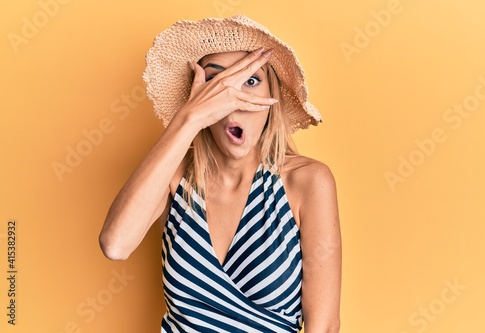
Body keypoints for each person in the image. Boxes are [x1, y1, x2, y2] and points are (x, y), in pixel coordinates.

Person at [99, 15, 341, 333]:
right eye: (216, 85)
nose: (232, 102)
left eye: (250, 81)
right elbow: (115, 245)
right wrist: (188, 119)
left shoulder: (307, 182)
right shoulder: (174, 179)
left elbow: (323, 326)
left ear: (272, 99)